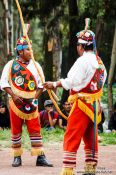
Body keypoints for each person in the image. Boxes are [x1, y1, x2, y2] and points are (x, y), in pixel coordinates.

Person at [43, 29, 107, 175]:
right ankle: (91, 168)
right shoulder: (99, 61)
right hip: (95, 105)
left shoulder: (83, 61)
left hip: (82, 104)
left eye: (78, 45)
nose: (77, 47)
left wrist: (54, 84)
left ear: (82, 46)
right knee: (91, 137)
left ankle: (68, 169)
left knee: (72, 135)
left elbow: (72, 81)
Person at [0, 36, 53, 167]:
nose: (31, 52)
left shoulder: (36, 65)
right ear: (20, 52)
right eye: (28, 50)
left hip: (32, 103)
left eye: (31, 49)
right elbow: (3, 82)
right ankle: (17, 157)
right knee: (16, 130)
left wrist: (35, 97)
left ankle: (40, 157)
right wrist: (13, 95)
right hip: (15, 103)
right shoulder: (10, 65)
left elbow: (41, 84)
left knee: (35, 129)